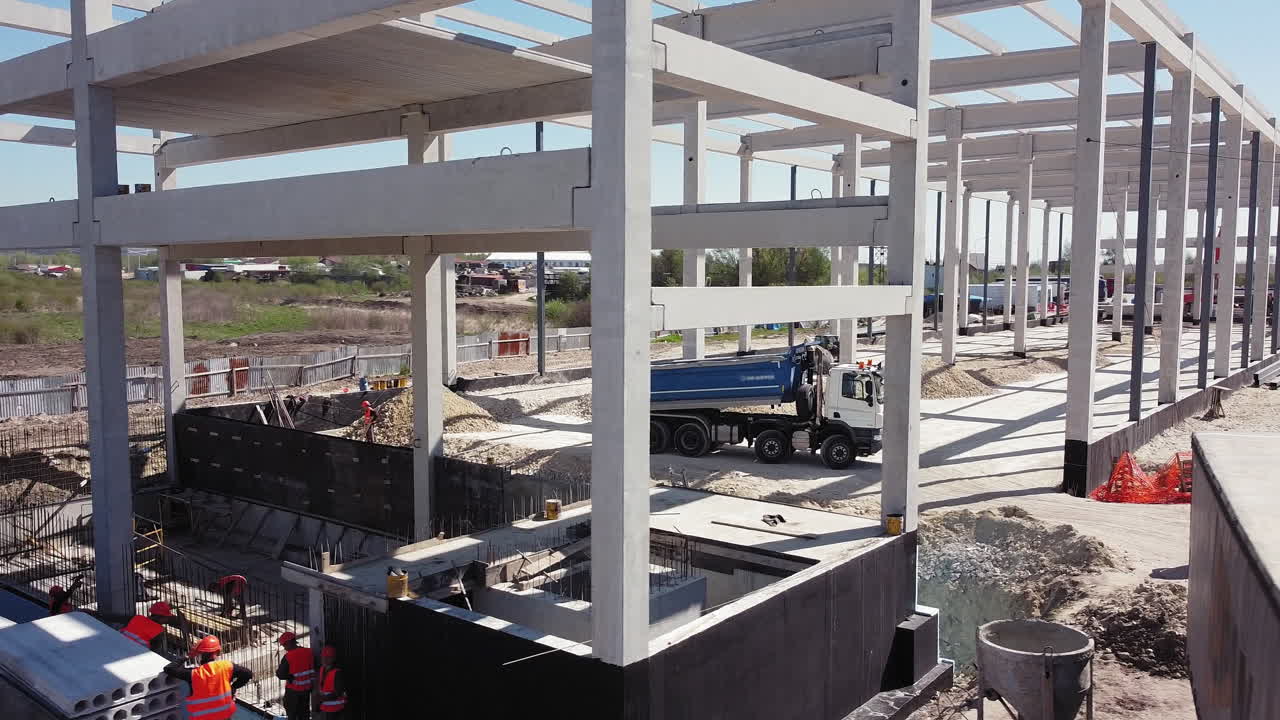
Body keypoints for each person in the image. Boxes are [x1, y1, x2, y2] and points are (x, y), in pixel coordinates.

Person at [164, 635, 252, 720]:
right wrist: (233, 688)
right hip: (225, 716)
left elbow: (169, 668)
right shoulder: (227, 667)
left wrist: (189, 655)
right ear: (218, 652)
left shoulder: (194, 674)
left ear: (200, 653)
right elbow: (248, 674)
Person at [275, 632, 313, 720]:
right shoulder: (309, 652)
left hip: (293, 691)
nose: (284, 647)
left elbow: (280, 674)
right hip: (306, 690)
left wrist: (289, 676)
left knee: (292, 714)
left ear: (289, 642)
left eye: (284, 644)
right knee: (304, 714)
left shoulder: (288, 656)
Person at [314, 645, 347, 717]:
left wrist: (321, 700)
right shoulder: (322, 669)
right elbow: (320, 688)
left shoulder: (337, 672)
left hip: (336, 709)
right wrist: (318, 703)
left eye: (328, 657)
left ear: (334, 658)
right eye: (324, 657)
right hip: (326, 708)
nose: (325, 659)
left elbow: (338, 693)